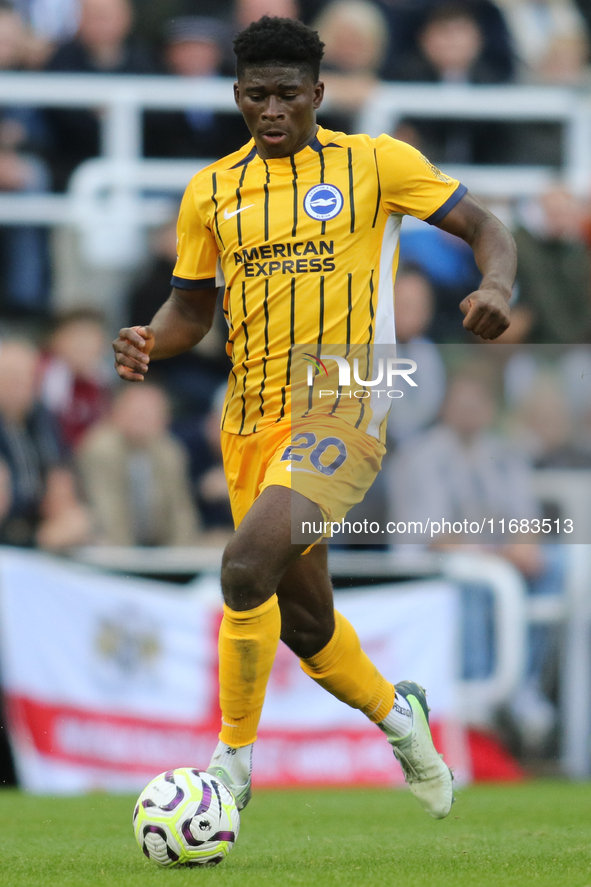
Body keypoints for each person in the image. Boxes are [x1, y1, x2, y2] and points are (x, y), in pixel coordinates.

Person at [113, 15, 514, 819]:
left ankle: (228, 765)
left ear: (317, 94)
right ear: (236, 95)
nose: (271, 111)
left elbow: (486, 227)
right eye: (256, 95)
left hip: (345, 405)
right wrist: (151, 338)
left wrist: (496, 286)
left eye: (287, 96)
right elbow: (192, 311)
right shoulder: (211, 191)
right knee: (305, 623)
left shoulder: (374, 164)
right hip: (247, 418)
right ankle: (402, 720)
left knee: (242, 564)